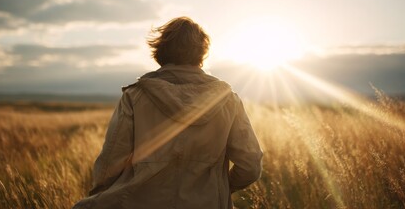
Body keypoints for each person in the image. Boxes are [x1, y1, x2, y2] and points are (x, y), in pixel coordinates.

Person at [73, 17, 263, 209]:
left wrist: (101, 196)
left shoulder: (135, 96)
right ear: (201, 54)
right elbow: (251, 165)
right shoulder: (229, 101)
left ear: (160, 51)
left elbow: (110, 163)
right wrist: (219, 188)